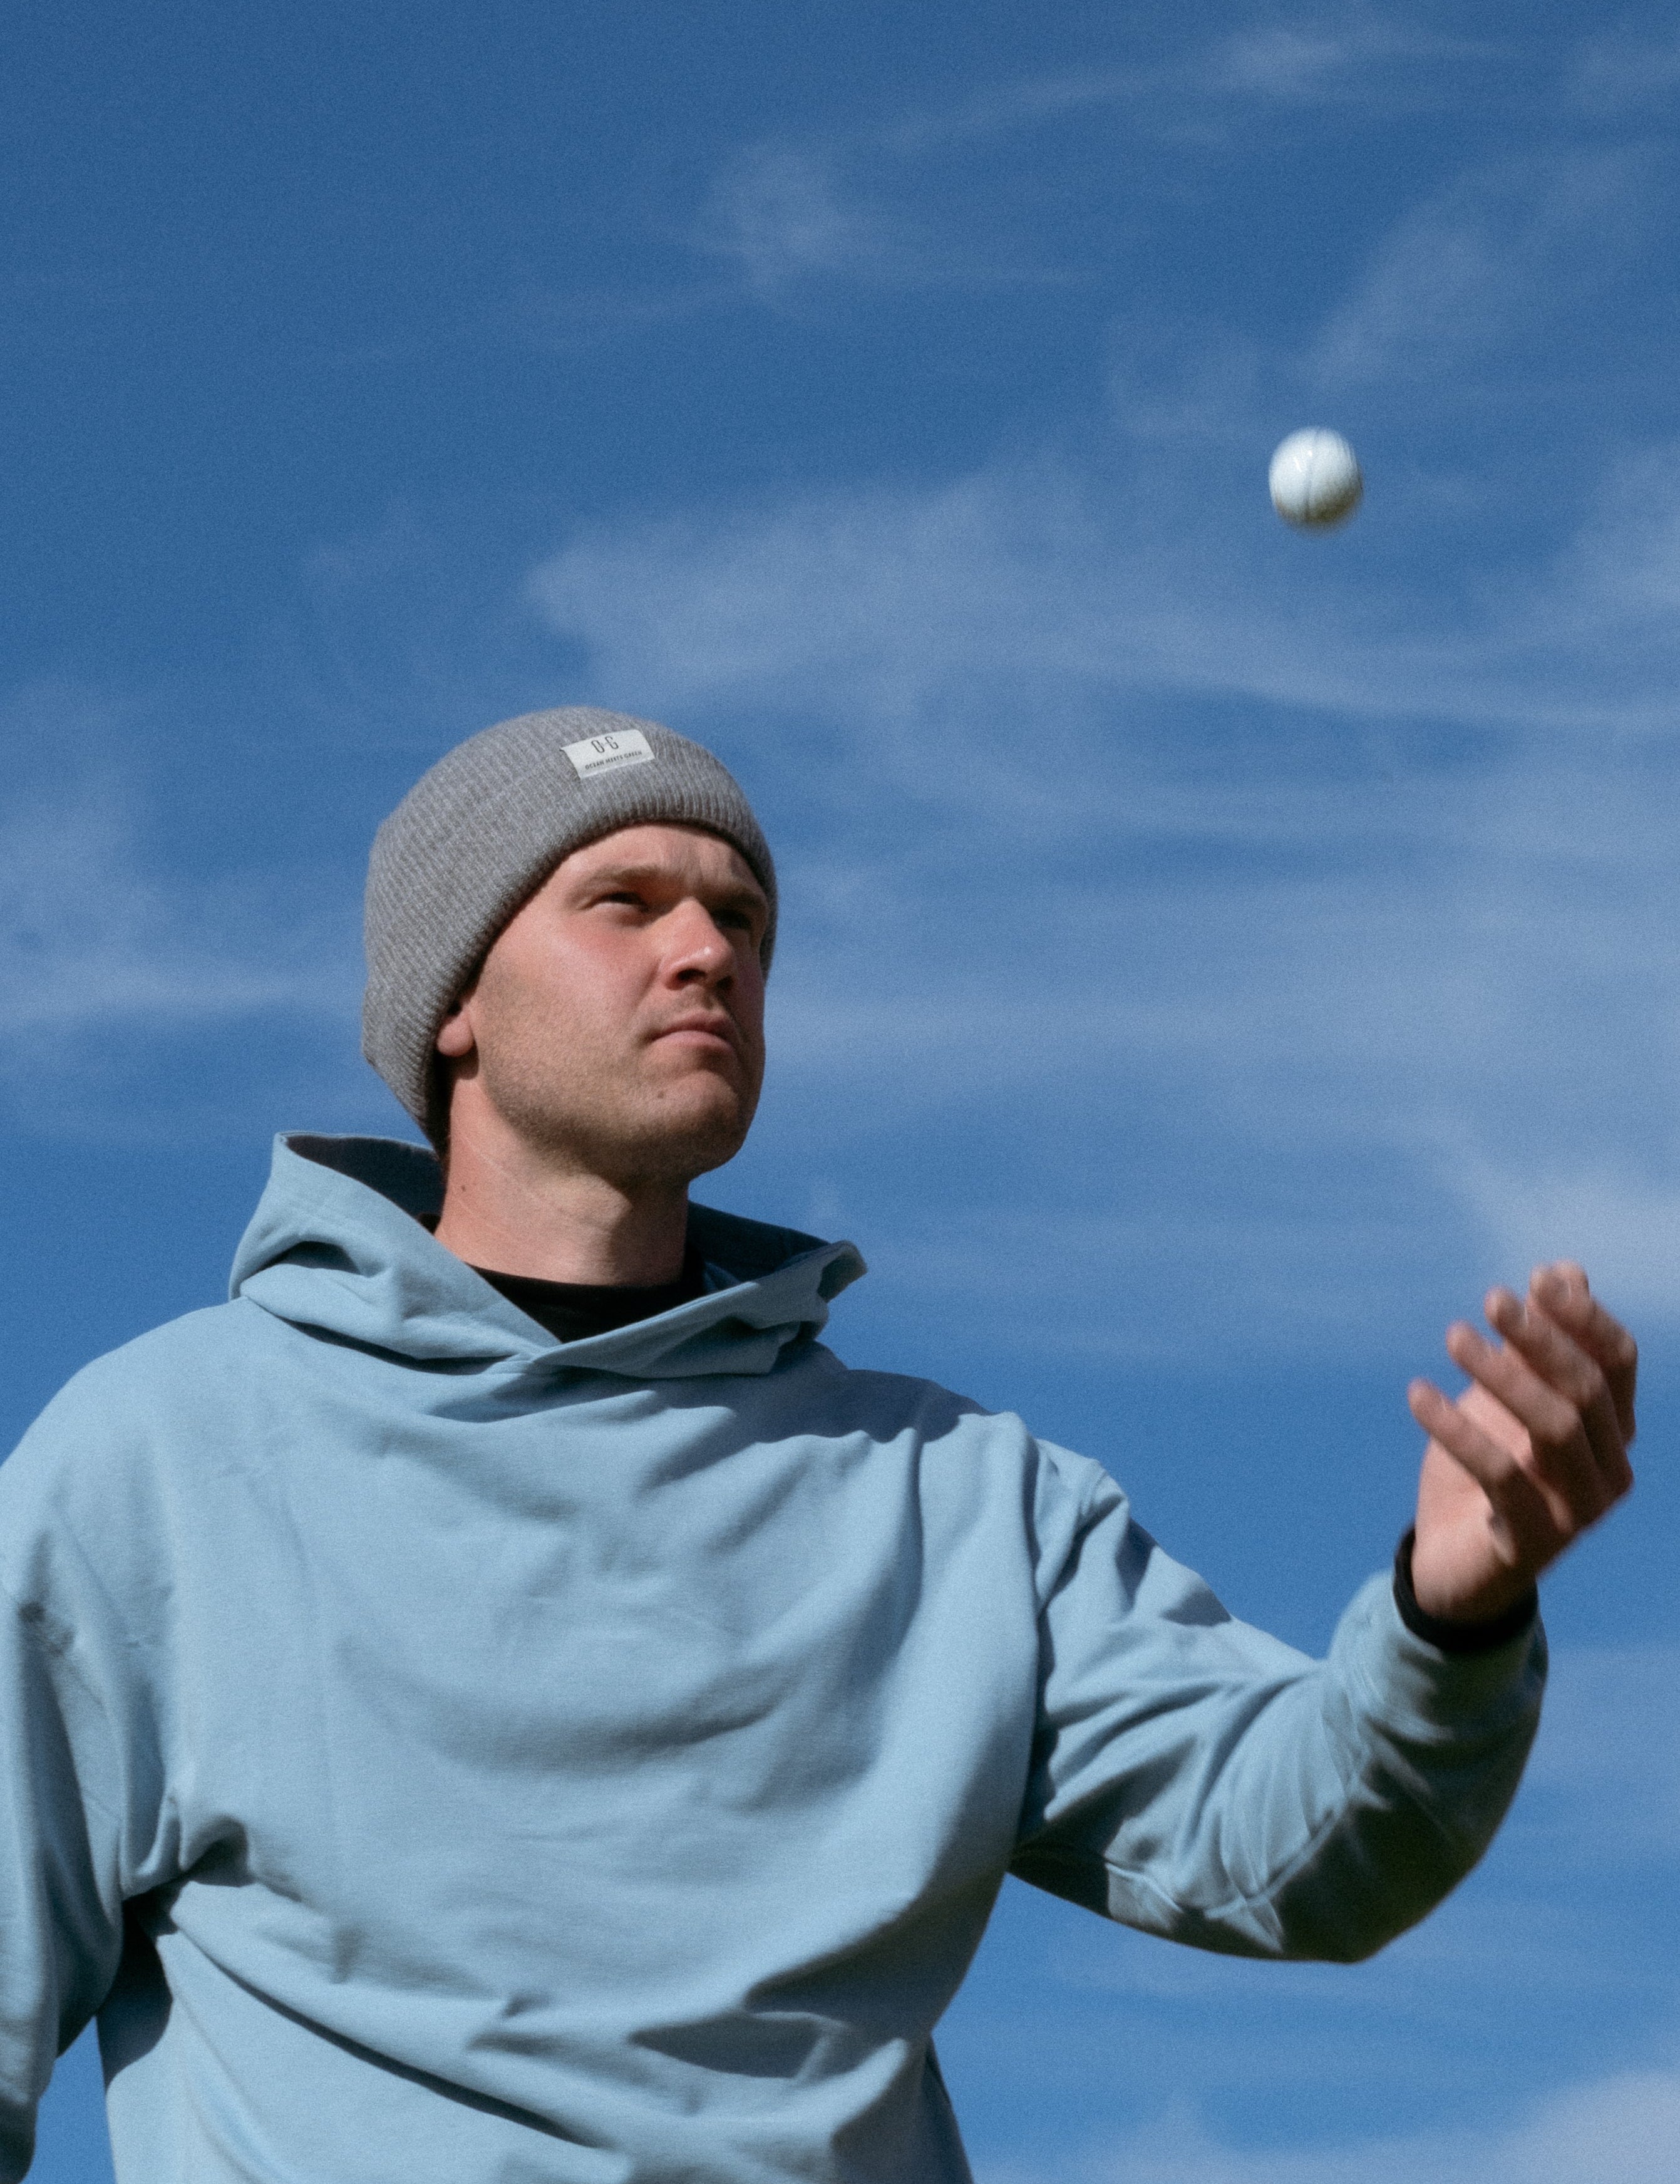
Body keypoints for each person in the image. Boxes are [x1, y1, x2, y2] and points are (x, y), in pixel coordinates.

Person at [0, 706, 1636, 2184]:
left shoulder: (956, 1500)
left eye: (742, 918)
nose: (706, 949)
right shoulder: (161, 1459)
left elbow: (1305, 1852)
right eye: (623, 903)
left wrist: (1453, 1611)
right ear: (453, 1008)